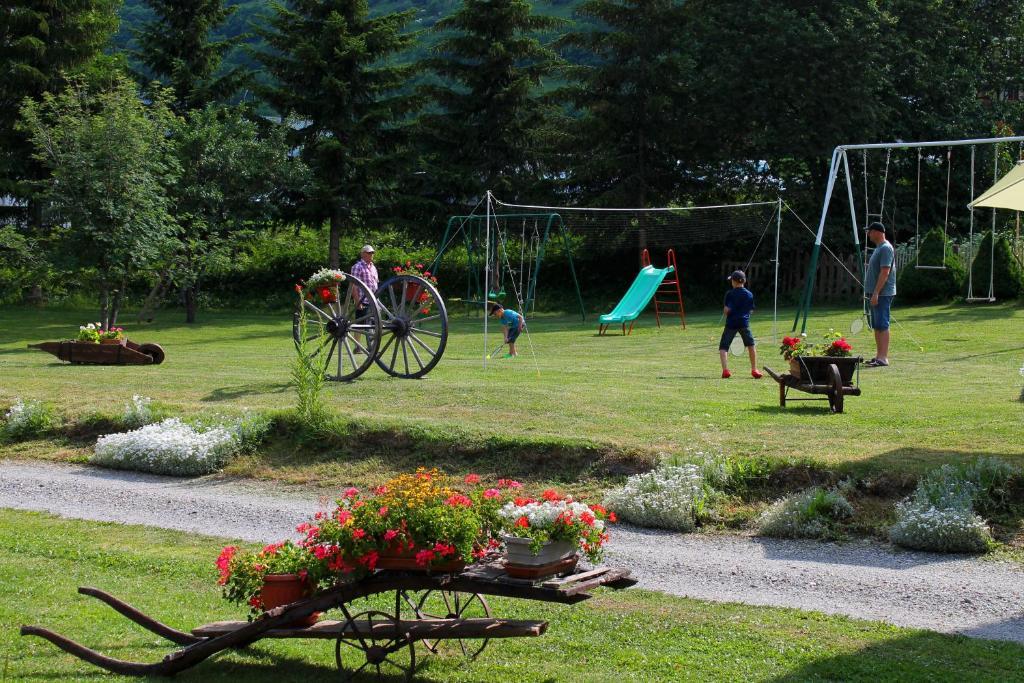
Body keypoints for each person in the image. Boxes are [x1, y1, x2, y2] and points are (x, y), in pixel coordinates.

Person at [719, 270, 763, 379]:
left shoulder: (729, 294)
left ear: (734, 281)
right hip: (744, 323)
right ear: (744, 281)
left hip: (731, 323)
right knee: (751, 346)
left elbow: (727, 310)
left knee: (723, 347)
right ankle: (754, 370)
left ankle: (725, 371)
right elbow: (751, 310)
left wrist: (726, 312)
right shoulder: (749, 294)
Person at [864, 222, 896, 367]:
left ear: (877, 232)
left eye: (869, 231)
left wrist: (876, 293)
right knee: (877, 324)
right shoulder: (879, 248)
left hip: (883, 293)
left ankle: (883, 358)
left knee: (882, 324)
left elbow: (885, 272)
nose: (868, 234)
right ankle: (878, 356)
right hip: (876, 293)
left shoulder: (885, 248)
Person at [350, 245, 378, 352]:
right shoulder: (357, 267)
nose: (371, 255)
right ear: (363, 254)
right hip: (363, 299)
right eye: (369, 253)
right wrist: (357, 301)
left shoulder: (373, 267)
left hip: (374, 300)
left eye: (372, 253)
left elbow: (376, 283)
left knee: (374, 324)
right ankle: (357, 346)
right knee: (360, 325)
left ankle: (371, 346)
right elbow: (354, 285)